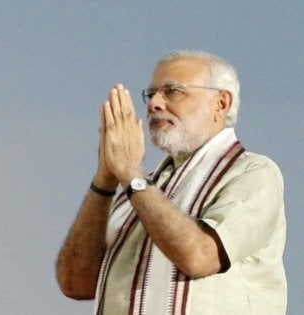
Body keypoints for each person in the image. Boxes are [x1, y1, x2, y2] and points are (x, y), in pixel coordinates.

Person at [55, 50, 287, 314]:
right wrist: (105, 180)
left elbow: (200, 257)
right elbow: (77, 284)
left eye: (172, 92)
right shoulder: (137, 191)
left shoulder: (252, 173)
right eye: (151, 94)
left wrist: (131, 174)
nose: (155, 103)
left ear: (221, 103)